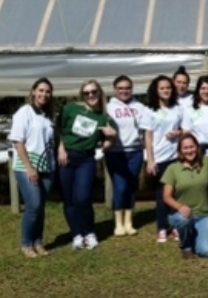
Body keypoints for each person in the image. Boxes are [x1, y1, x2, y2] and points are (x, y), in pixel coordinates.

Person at [57, 79, 116, 250]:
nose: (90, 95)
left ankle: (89, 232)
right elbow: (59, 130)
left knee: (82, 198)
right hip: (66, 157)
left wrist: (112, 137)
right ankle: (76, 234)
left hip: (86, 159)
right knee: (69, 200)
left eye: (94, 92)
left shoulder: (103, 117)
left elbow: (105, 147)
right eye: (87, 93)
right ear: (82, 95)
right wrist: (61, 148)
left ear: (100, 93)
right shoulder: (70, 109)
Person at [9, 77, 56, 258]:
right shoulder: (24, 112)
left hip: (46, 166)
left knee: (40, 207)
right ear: (34, 92)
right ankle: (26, 243)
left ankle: (38, 241)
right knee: (34, 205)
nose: (44, 94)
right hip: (26, 166)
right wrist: (29, 168)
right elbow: (18, 141)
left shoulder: (47, 115)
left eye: (47, 91)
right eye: (41, 90)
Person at [105, 75, 155, 237]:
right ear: (115, 90)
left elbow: (147, 130)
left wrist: (148, 153)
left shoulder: (140, 107)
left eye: (127, 88)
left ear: (131, 89)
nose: (124, 91)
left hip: (135, 151)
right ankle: (118, 223)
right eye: (120, 88)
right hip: (115, 152)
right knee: (120, 186)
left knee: (132, 186)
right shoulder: (108, 107)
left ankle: (129, 221)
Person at [162, 135, 208, 258]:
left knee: (206, 251)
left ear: (197, 147)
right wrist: (180, 207)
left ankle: (195, 235)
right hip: (181, 214)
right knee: (182, 220)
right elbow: (166, 196)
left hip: (203, 214)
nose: (189, 151)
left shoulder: (207, 162)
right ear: (180, 151)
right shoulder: (173, 168)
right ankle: (186, 245)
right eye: (185, 148)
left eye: (192, 147)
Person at [145, 75, 184, 243]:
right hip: (158, 157)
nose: (166, 90)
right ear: (156, 90)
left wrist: (178, 133)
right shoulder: (149, 110)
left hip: (174, 156)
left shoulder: (178, 108)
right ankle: (162, 227)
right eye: (162, 88)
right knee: (161, 195)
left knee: (174, 194)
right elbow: (147, 136)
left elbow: (185, 129)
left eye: (168, 87)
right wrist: (150, 160)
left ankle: (174, 225)